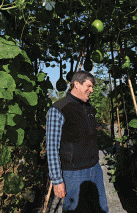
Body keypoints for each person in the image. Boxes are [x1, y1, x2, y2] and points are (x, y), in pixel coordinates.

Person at [46, 71, 109, 212]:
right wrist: (57, 181)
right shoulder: (59, 109)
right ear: (76, 84)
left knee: (100, 208)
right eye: (89, 86)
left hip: (95, 168)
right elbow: (51, 148)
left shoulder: (89, 108)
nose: (91, 90)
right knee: (75, 209)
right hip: (73, 173)